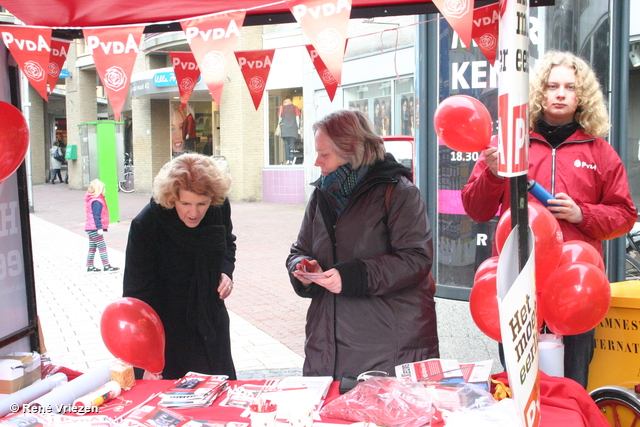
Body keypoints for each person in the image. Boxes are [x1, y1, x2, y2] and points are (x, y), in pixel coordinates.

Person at [461, 51, 638, 388]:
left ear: (581, 95)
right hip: (518, 281)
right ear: (538, 92)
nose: (560, 93)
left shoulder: (599, 151)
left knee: (572, 384)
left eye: (570, 87)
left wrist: (582, 214)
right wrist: (494, 175)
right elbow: (476, 208)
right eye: (552, 86)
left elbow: (625, 216)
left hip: (577, 290)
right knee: (518, 386)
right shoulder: (508, 145)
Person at [286, 109, 439, 380]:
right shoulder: (321, 194)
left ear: (352, 150)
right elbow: (300, 249)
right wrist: (302, 267)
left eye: (324, 154)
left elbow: (416, 259)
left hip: (386, 345)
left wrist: (352, 276)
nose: (317, 162)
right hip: (326, 345)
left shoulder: (399, 192)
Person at [123, 153, 237, 381]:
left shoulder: (218, 208)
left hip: (210, 322)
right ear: (171, 197)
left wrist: (225, 271)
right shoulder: (146, 225)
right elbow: (136, 299)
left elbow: (227, 243)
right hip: (167, 330)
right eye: (185, 203)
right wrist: (145, 360)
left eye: (201, 204)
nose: (193, 213)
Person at [84, 179, 120, 273]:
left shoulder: (92, 200)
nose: (105, 191)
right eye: (103, 189)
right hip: (95, 228)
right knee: (102, 247)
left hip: (90, 227)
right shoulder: (97, 202)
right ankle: (106, 266)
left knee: (92, 247)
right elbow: (96, 216)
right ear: (99, 190)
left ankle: (89, 266)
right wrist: (99, 228)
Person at [277, 98, 301, 163]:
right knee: (292, 144)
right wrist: (298, 127)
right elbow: (297, 119)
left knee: (286, 144)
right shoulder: (295, 108)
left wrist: (278, 126)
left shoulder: (281, 108)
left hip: (284, 128)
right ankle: (292, 159)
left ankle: (288, 159)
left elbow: (280, 119)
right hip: (293, 128)